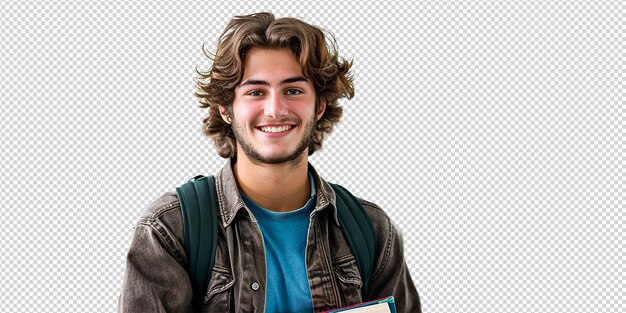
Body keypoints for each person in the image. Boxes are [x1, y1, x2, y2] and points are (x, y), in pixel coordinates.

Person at [118, 12, 421, 313]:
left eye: (293, 90)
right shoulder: (170, 229)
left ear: (319, 106)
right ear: (226, 109)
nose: (275, 109)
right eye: (256, 92)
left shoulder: (372, 230)